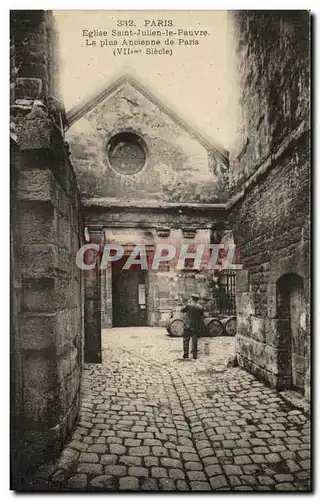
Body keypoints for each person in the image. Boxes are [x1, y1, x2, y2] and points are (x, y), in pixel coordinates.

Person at [181, 294, 204, 360]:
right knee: (194, 341)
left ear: (191, 298)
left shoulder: (188, 305)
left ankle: (186, 354)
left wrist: (188, 302)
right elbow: (201, 317)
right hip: (195, 326)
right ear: (197, 299)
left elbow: (182, 310)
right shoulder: (200, 307)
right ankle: (195, 355)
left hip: (187, 325)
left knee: (186, 340)